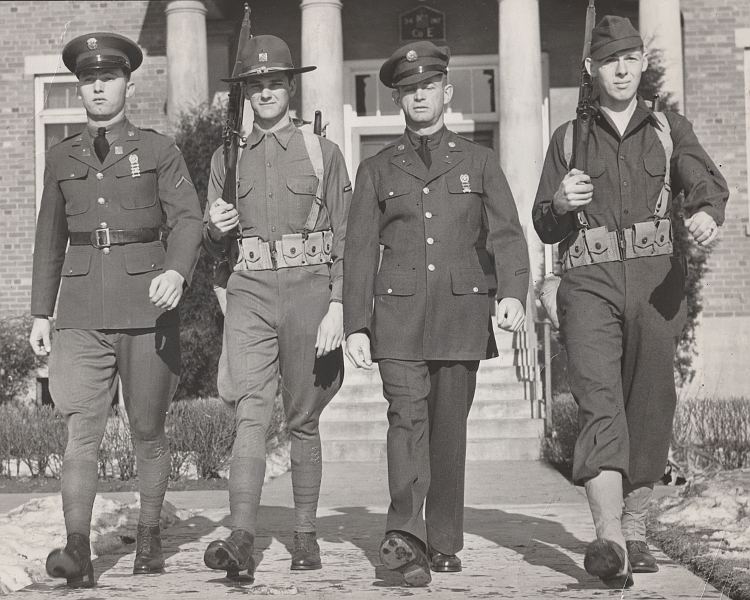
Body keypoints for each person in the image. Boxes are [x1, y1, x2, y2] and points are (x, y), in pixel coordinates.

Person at [533, 16, 729, 589]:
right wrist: (561, 203)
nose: (621, 68)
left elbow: (705, 181)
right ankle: (610, 542)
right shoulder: (568, 138)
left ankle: (636, 527)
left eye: (631, 57)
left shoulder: (668, 127)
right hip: (588, 282)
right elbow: (543, 222)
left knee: (648, 402)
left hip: (654, 281)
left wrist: (703, 215)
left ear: (642, 65)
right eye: (610, 59)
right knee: (600, 403)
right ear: (591, 70)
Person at [343, 41, 530, 587]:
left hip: (460, 314)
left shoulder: (479, 161)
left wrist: (513, 292)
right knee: (406, 422)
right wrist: (357, 322)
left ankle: (445, 539)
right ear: (397, 99)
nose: (418, 96)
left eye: (428, 86)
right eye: (408, 89)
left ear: (447, 92)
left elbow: (507, 236)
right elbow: (358, 250)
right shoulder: (377, 169)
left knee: (448, 430)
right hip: (397, 319)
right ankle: (404, 537)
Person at [29, 32, 203, 587]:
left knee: (148, 429)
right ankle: (77, 548)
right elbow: (48, 239)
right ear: (80, 86)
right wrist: (40, 313)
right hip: (80, 309)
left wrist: (176, 272)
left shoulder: (158, 150)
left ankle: (149, 536)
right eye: (88, 78)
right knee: (81, 429)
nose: (98, 86)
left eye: (108, 77)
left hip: (148, 307)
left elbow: (189, 220)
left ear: (128, 82)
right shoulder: (62, 157)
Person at [201, 35, 350, 580]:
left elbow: (346, 236)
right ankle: (242, 535)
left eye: (273, 83)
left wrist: (338, 305)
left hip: (310, 290)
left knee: (303, 417)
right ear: (244, 93)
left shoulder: (322, 152)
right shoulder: (225, 157)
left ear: (291, 86)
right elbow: (212, 245)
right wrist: (214, 231)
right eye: (254, 84)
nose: (265, 92)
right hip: (251, 291)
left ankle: (305, 533)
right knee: (251, 413)